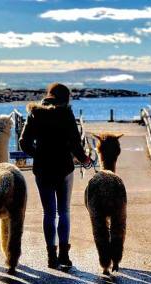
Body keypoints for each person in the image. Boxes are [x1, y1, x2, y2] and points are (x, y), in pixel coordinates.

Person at [19, 83, 91, 268]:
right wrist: (85, 160)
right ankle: (64, 256)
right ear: (65, 97)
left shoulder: (35, 113)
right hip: (64, 168)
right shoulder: (66, 113)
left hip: (42, 169)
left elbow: (24, 142)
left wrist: (38, 154)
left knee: (49, 213)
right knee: (64, 211)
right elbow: (76, 144)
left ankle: (51, 256)